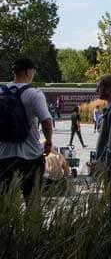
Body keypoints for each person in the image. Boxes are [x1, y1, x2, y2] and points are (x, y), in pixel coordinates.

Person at [0, 58, 53, 199]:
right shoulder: (34, 94)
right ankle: (32, 221)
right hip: (30, 155)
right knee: (32, 201)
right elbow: (46, 121)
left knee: (5, 203)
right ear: (28, 72)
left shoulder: (1, 92)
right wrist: (48, 142)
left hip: (3, 155)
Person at [92, 74, 111, 173]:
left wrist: (106, 164)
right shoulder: (109, 108)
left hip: (109, 166)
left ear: (109, 88)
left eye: (99, 86)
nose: (96, 90)